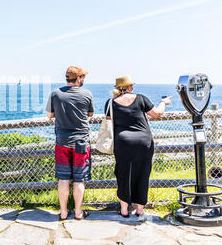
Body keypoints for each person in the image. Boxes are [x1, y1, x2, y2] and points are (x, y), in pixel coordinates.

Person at [104, 75, 171, 217]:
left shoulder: (110, 103)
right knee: (142, 173)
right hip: (143, 142)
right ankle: (139, 209)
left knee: (122, 174)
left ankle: (124, 209)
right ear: (129, 87)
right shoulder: (141, 98)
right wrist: (164, 102)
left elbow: (109, 122)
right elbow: (157, 114)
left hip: (123, 142)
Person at [46, 66, 94, 220]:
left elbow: (49, 115)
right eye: (83, 77)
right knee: (79, 179)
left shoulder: (55, 93)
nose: (84, 80)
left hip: (62, 142)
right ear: (78, 78)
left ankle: (64, 211)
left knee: (63, 178)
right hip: (81, 142)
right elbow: (90, 114)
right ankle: (78, 212)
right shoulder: (87, 94)